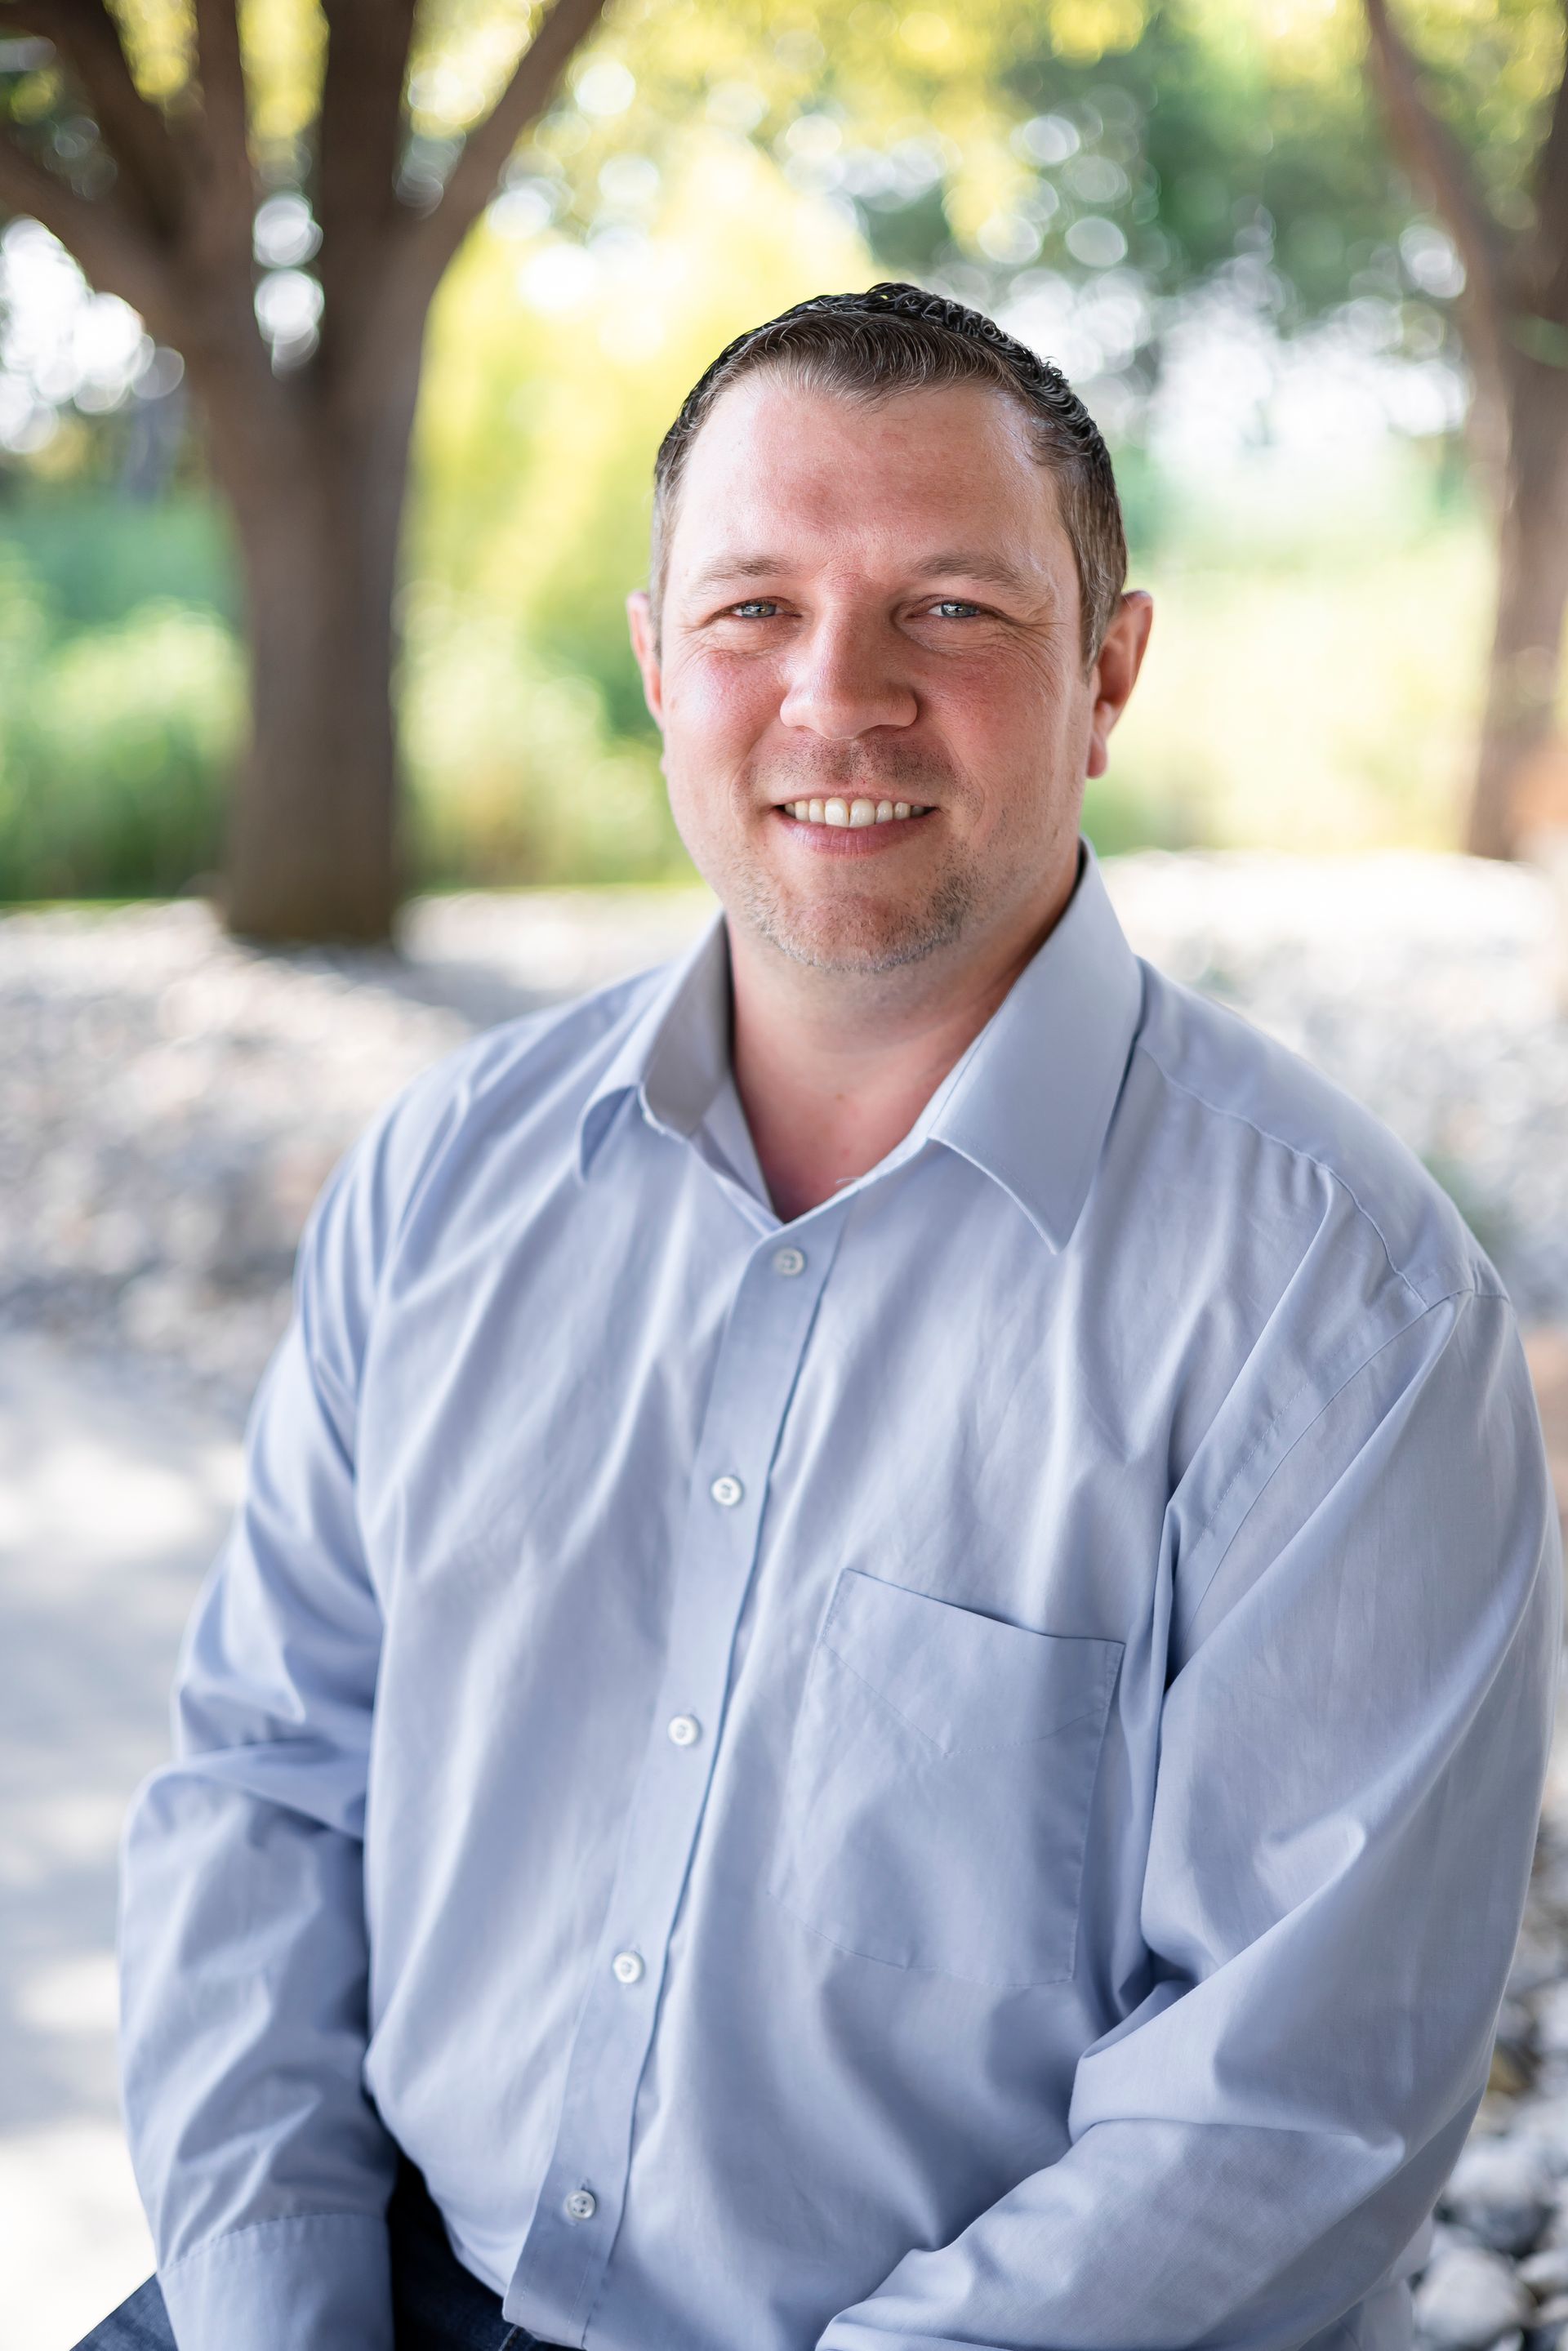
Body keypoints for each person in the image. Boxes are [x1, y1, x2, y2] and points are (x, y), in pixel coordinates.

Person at [84, 282, 1559, 2351]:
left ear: (1111, 674)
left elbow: (1278, 2120)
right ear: (653, 664)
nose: (836, 696)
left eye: (952, 610)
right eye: (752, 609)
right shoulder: (446, 1182)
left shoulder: (1344, 1316)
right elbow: (265, 1790)